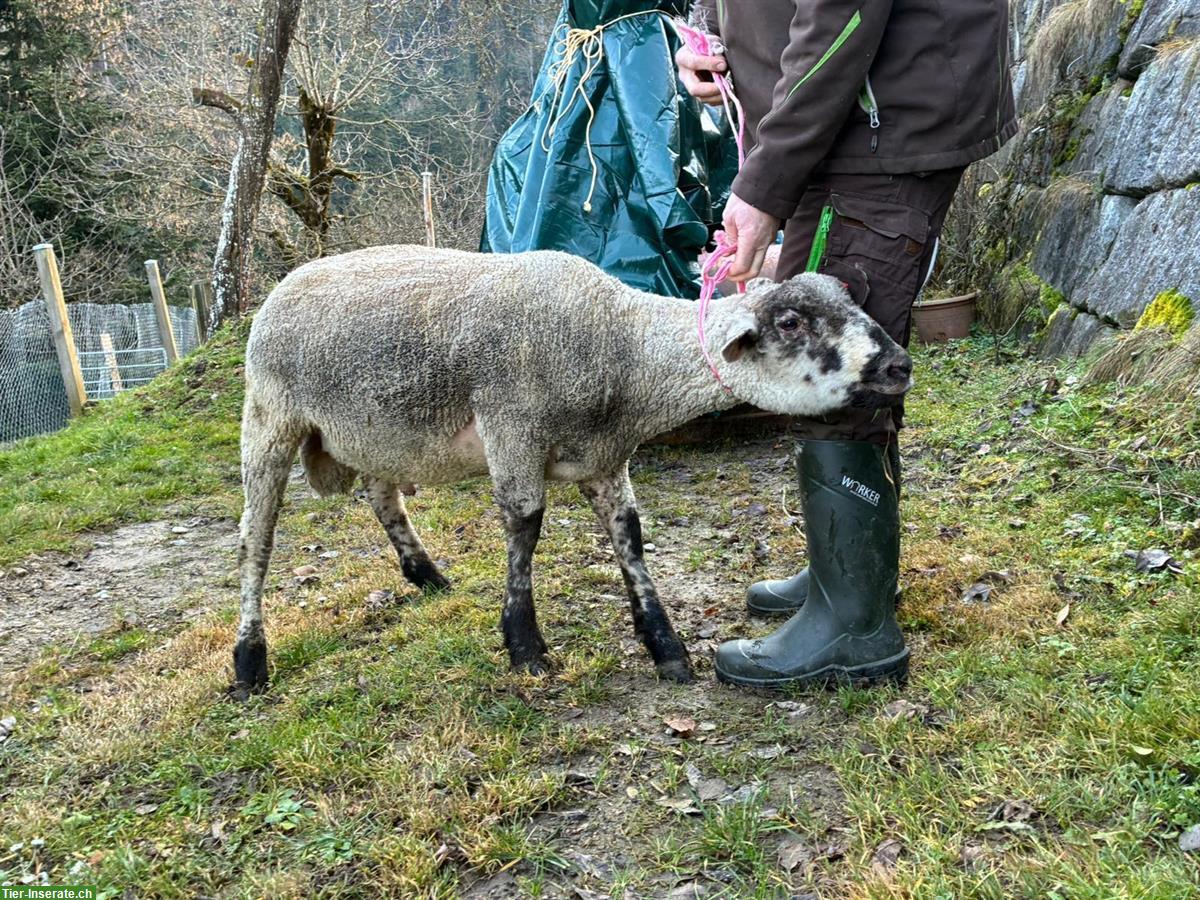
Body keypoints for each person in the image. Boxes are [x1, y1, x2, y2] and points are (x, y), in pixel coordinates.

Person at [676, 0, 1017, 687]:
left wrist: (764, 180)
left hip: (872, 124)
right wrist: (720, 49)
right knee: (837, 357)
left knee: (830, 366)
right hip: (839, 122)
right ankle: (848, 571)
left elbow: (844, 12)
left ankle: (856, 624)